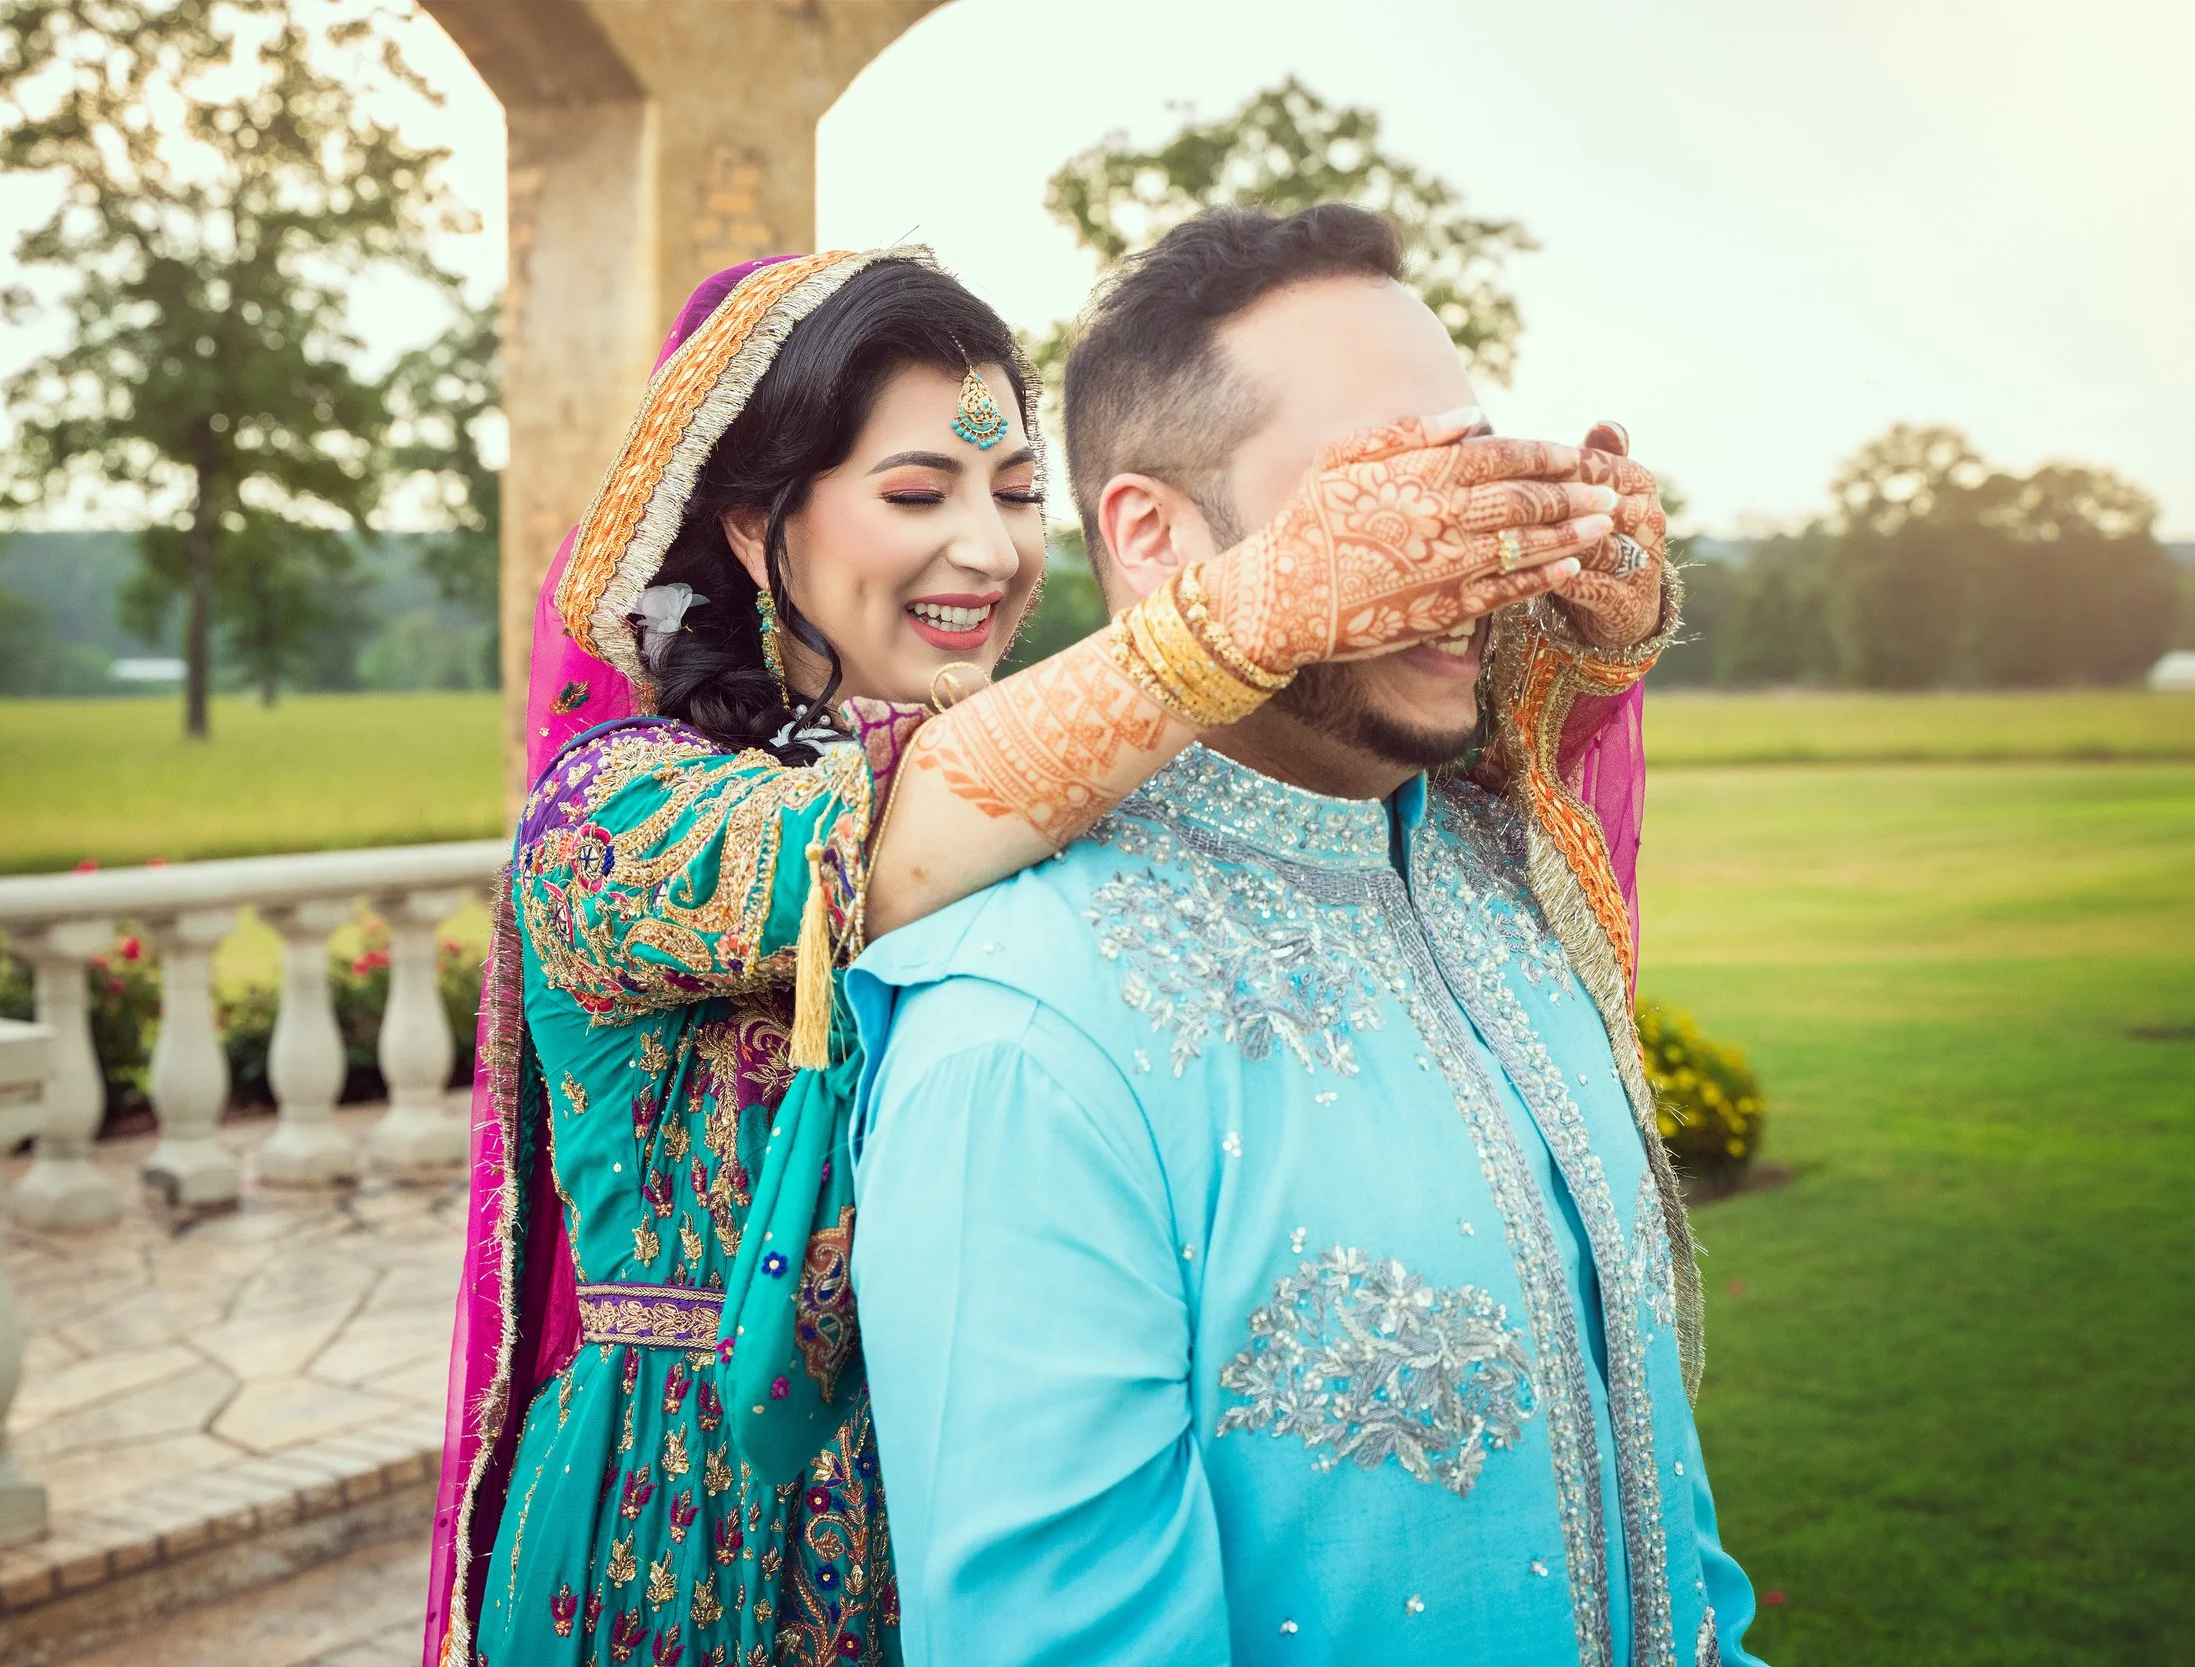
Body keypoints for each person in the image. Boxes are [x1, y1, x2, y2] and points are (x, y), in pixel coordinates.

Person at [425, 243, 1633, 1667]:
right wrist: (1259, 597)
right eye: (918, 493)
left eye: (1014, 496)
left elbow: (1393, 802)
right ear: (758, 530)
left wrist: (1557, 612)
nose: (991, 554)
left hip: (1012, 1503)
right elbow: (897, 829)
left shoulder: (1060, 791)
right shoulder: (615, 815)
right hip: (692, 1536)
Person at [845, 204, 1764, 1666]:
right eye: (1384, 497)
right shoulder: (1026, 1027)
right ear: (1151, 541)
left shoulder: (1507, 898)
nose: (1459, 552)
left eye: (1470, 474)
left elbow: (1676, 1534)